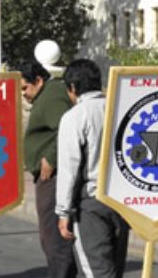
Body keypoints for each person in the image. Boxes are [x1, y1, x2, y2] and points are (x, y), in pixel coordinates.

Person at [56, 59, 129, 278]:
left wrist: (63, 211)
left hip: (91, 202)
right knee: (115, 270)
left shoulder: (75, 116)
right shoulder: (120, 109)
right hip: (121, 200)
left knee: (97, 272)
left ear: (73, 88)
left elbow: (69, 166)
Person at [19, 60, 76, 278]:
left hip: (52, 177)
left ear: (39, 81)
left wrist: (51, 157)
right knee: (50, 238)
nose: (24, 94)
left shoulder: (52, 96)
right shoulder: (48, 94)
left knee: (53, 239)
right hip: (49, 176)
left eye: (26, 88)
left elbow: (65, 128)